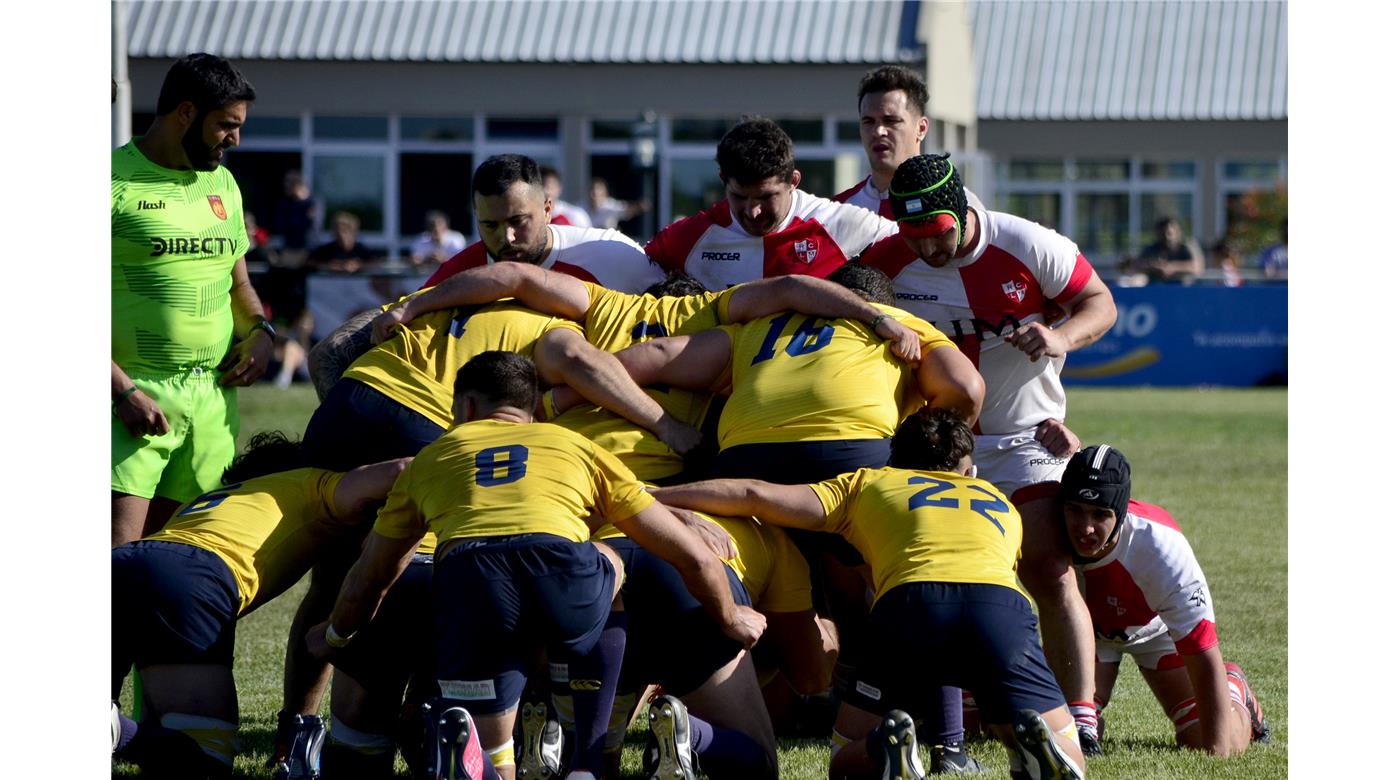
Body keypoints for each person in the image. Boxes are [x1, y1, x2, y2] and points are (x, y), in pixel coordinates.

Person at [308, 351, 766, 780]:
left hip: (471, 579)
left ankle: (480, 759)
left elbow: (371, 575)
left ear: (466, 406)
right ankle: (586, 756)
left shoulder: (430, 459)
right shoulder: (574, 446)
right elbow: (690, 553)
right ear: (529, 407)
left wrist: (334, 635)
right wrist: (730, 615)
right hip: (562, 575)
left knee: (494, 753)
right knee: (612, 558)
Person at [652, 410, 1087, 780]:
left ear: (894, 460)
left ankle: (885, 746)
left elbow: (752, 494)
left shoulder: (870, 482)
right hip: (1000, 608)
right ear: (967, 470)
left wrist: (652, 499)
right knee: (1064, 747)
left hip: (909, 605)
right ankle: (1033, 750)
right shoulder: (997, 499)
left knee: (844, 760)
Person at [860, 153, 1118, 755]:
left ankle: (1082, 718)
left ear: (962, 209)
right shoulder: (888, 255)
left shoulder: (1028, 244)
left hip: (1027, 436)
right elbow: (852, 302)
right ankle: (929, 720)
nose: (926, 248)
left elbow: (1099, 302)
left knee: (1048, 567)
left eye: (938, 233)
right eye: (912, 234)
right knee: (923, 571)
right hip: (934, 441)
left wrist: (1059, 337)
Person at [111, 432, 407, 779]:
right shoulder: (312, 482)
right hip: (190, 574)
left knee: (163, 734)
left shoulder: (212, 500)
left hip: (122, 563)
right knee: (207, 760)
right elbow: (401, 469)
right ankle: (115, 731)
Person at [112, 52, 276, 547]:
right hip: (130, 397)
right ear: (185, 113)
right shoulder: (109, 181)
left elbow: (239, 284)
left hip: (211, 401)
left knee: (184, 563)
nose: (235, 139)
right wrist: (121, 391)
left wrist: (260, 333)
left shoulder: (222, 182)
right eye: (226, 125)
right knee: (114, 564)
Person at [1058, 445, 1270, 756]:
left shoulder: (1162, 548)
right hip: (1085, 634)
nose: (1085, 527)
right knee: (1061, 731)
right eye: (1075, 509)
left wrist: (1218, 749)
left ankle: (1234, 686)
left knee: (1208, 742)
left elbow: (1201, 648)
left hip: (1156, 633)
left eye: (1100, 514)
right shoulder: (1046, 528)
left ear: (1121, 512)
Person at [644, 117, 898, 291]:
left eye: (766, 198)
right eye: (740, 197)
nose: (753, 212)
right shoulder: (690, 237)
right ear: (723, 181)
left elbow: (917, 246)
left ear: (793, 181)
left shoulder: (836, 223)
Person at [422, 155, 663, 293]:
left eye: (517, 221)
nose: (507, 237)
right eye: (489, 225)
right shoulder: (455, 277)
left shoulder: (613, 255)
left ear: (548, 210)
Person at [832, 65, 929, 219]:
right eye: (868, 121)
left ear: (921, 129)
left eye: (891, 121)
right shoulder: (837, 212)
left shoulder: (955, 206)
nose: (878, 131)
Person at [1133, 217, 1205, 283]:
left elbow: (1198, 267)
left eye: (1169, 233)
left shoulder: (1187, 246)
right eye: (1163, 233)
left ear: (1178, 231)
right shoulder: (1151, 249)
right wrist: (1155, 266)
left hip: (1183, 287)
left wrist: (1172, 267)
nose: (1167, 237)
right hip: (1156, 287)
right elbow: (1137, 265)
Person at [306, 211, 381, 274]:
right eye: (336, 231)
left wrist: (358, 266)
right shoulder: (327, 250)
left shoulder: (361, 249)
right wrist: (327, 266)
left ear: (353, 232)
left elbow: (377, 264)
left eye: (344, 231)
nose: (340, 234)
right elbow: (308, 262)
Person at [273, 170, 319, 256]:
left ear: (297, 185)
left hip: (308, 249)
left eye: (288, 185)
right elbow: (280, 224)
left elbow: (313, 226)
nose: (285, 188)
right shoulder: (286, 204)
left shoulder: (313, 202)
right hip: (290, 248)